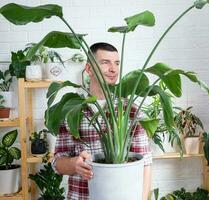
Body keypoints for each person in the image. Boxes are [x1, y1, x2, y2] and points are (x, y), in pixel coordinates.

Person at [52, 42, 152, 200]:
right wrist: (75, 164)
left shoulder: (130, 110)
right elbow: (57, 162)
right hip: (81, 196)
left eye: (116, 63)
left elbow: (145, 162)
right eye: (105, 62)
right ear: (89, 69)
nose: (113, 69)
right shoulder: (72, 109)